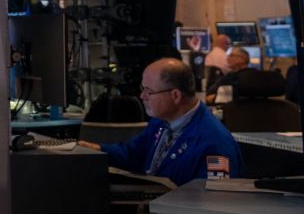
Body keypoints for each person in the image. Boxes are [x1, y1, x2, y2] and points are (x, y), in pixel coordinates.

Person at [78, 58, 242, 185]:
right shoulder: (162, 121)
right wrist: (97, 150)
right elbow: (134, 153)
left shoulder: (214, 142)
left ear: (175, 96)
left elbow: (214, 201)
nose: (142, 96)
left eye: (149, 91)